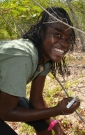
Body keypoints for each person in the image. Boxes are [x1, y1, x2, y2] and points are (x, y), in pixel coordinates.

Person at [0, 7, 80, 135]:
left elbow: (36, 99)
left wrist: (56, 127)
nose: (64, 44)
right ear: (40, 32)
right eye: (58, 35)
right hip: (4, 109)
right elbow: (5, 113)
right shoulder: (23, 57)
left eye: (68, 39)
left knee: (42, 123)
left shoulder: (44, 60)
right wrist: (56, 110)